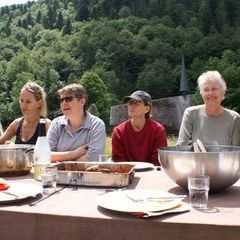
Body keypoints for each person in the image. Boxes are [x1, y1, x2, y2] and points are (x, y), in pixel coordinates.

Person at [177, 70, 240, 146]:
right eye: (206, 90)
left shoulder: (234, 118)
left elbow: (236, 151)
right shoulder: (190, 114)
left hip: (225, 158)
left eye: (214, 89)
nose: (210, 93)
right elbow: (182, 146)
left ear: (223, 92)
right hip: (194, 158)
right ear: (201, 94)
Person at [47, 83, 106, 162]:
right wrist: (76, 153)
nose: (64, 103)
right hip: (56, 174)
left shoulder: (96, 125)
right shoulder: (56, 123)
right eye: (61, 100)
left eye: (68, 99)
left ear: (82, 101)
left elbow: (92, 158)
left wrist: (59, 160)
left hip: (86, 174)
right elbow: (45, 155)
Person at [111, 90, 167, 166]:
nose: (132, 106)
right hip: (126, 173)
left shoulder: (158, 130)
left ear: (147, 109)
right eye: (130, 103)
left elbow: (158, 161)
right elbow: (119, 161)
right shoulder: (118, 131)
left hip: (151, 174)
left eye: (136, 103)